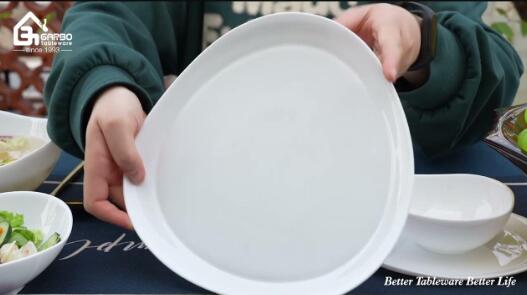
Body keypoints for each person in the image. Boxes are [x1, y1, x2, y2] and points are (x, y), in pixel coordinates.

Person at [44, 2, 524, 229]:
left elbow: (494, 71)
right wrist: (105, 82)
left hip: (378, 216)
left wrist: (423, 42)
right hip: (212, 209)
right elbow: (97, 17)